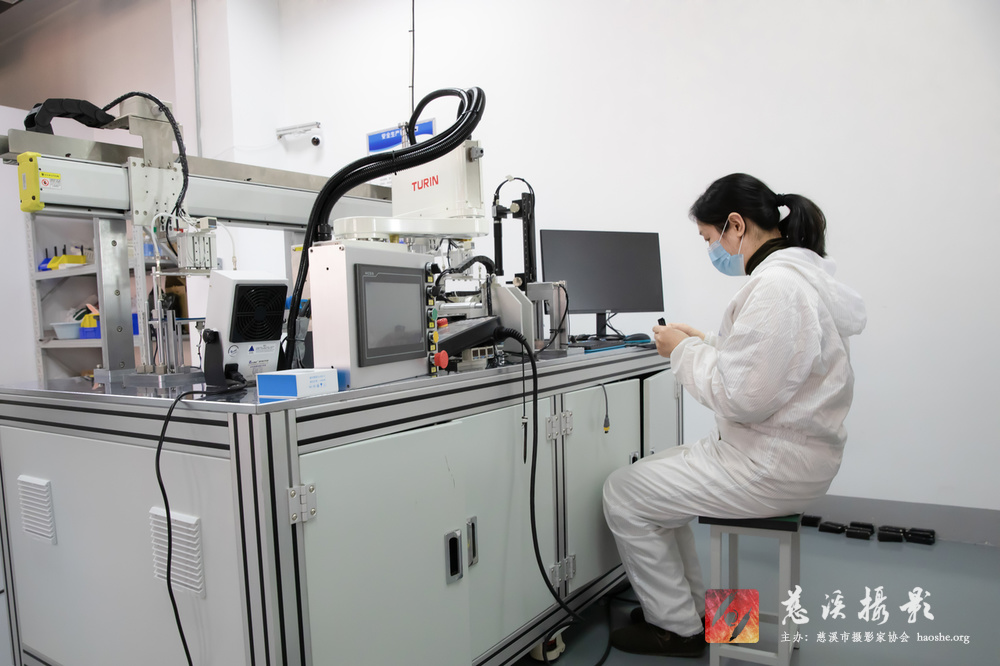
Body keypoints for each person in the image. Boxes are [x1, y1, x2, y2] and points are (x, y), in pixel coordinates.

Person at [602, 173, 867, 657]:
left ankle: (677, 629)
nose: (713, 250)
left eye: (710, 238)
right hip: (787, 452)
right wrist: (702, 341)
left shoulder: (777, 288)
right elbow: (768, 365)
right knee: (653, 483)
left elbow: (740, 395)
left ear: (736, 225)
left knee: (623, 492)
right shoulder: (798, 278)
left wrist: (682, 352)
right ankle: (689, 612)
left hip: (769, 464)